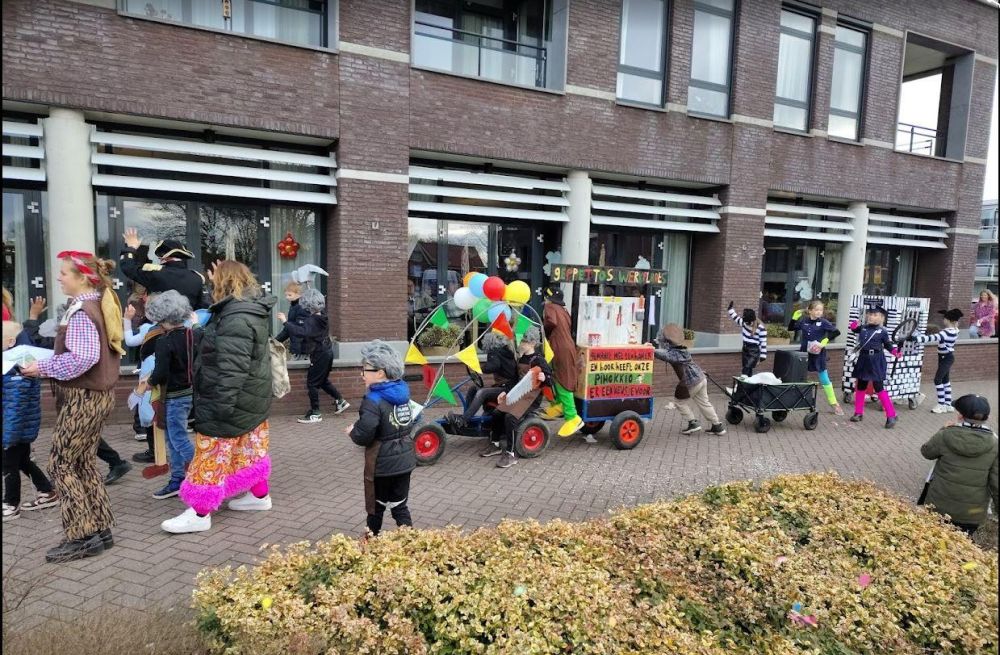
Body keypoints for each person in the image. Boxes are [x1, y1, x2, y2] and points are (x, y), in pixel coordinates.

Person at [20, 250, 124, 563]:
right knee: (83, 462)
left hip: (84, 397)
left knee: (61, 464)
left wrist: (42, 367)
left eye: (64, 273)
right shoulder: (95, 304)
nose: (59, 277)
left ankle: (82, 536)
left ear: (82, 278)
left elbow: (82, 359)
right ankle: (101, 529)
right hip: (95, 396)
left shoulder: (81, 311)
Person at [161, 261, 275, 534]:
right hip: (250, 399)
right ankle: (260, 497)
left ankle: (200, 513)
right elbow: (232, 352)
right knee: (251, 450)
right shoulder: (246, 311)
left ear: (224, 283)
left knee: (210, 456)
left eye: (214, 283)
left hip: (228, 400)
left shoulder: (234, 317)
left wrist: (218, 409)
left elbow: (231, 368)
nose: (211, 287)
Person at [347, 340, 416, 537]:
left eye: (365, 369)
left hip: (382, 463)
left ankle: (369, 545)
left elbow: (364, 434)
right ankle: (413, 544)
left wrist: (353, 430)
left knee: (375, 507)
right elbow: (410, 421)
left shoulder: (373, 399)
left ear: (380, 373)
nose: (362, 374)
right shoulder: (403, 392)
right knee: (400, 506)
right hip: (405, 460)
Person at [2, 321, 58, 522]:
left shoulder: (17, 372)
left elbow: (15, 409)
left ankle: (11, 504)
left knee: (9, 465)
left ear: (9, 342)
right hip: (17, 429)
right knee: (23, 461)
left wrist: (8, 436)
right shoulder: (12, 367)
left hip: (14, 431)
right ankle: (47, 491)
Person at [920, 394, 998, 536]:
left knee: (934, 543)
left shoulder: (945, 435)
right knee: (962, 547)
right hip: (972, 513)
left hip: (939, 506)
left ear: (960, 416)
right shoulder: (995, 443)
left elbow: (926, 452)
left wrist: (942, 430)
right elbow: (996, 482)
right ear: (986, 418)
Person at [144, 291, 195, 499]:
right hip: (188, 392)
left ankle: (207, 472)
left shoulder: (163, 341)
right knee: (173, 438)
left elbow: (161, 371)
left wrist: (150, 382)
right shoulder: (192, 335)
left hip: (172, 395)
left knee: (177, 438)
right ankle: (177, 479)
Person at [276, 288, 349, 424]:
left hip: (319, 354)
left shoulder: (313, 320)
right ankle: (340, 400)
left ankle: (315, 413)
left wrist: (285, 322)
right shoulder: (322, 316)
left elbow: (301, 332)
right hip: (327, 352)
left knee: (312, 383)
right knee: (321, 380)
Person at [492, 328, 553, 468]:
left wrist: (545, 377)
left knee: (510, 418)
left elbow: (550, 379)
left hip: (531, 397)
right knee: (497, 412)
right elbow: (514, 379)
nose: (522, 344)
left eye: (525, 341)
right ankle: (495, 444)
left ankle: (511, 453)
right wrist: (505, 392)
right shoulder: (521, 358)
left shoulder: (539, 359)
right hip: (517, 393)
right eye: (522, 341)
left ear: (532, 343)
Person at [652, 324, 727, 436]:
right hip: (701, 378)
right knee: (704, 403)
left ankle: (693, 423)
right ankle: (717, 426)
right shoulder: (683, 349)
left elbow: (664, 355)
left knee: (679, 402)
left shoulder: (674, 354)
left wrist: (650, 350)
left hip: (692, 381)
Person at [448, 332, 517, 437]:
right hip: (505, 386)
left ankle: (462, 421)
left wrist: (479, 368)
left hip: (507, 388)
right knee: (473, 388)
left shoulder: (494, 352)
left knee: (482, 392)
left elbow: (493, 366)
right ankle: (466, 417)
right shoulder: (505, 353)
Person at [119, 228, 206, 310]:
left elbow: (128, 267)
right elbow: (200, 307)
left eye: (160, 257)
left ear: (165, 257)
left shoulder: (157, 274)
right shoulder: (197, 278)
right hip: (188, 325)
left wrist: (131, 247)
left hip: (160, 324)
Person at [788, 300, 845, 416]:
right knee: (799, 376)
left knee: (824, 379)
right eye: (817, 310)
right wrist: (794, 317)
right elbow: (791, 328)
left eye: (821, 310)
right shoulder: (804, 321)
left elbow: (836, 332)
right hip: (804, 353)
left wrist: (824, 342)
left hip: (818, 354)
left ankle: (834, 404)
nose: (819, 312)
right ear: (810, 311)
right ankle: (793, 402)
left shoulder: (823, 322)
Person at [847, 305, 900, 429]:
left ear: (881, 318)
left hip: (876, 360)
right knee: (861, 386)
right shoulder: (863, 328)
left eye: (875, 315)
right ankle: (858, 413)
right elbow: (855, 329)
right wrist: (853, 325)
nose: (871, 316)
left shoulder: (882, 331)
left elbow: (887, 345)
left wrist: (895, 352)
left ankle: (891, 415)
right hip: (863, 359)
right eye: (870, 314)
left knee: (879, 387)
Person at [542, 286, 584, 437]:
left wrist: (543, 332)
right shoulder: (564, 310)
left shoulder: (550, 307)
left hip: (560, 348)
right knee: (554, 377)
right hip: (565, 347)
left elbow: (551, 322)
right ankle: (558, 405)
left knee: (562, 380)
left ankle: (573, 417)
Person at [910, 309, 962, 414]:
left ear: (948, 320)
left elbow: (931, 338)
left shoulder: (945, 332)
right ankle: (948, 404)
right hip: (947, 357)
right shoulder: (955, 330)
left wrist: (915, 338)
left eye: (944, 318)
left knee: (937, 380)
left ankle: (941, 404)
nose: (943, 320)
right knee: (946, 381)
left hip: (945, 358)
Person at [726, 301, 767, 376]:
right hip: (745, 348)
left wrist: (762, 356)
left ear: (753, 320)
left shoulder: (761, 328)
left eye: (749, 323)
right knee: (748, 369)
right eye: (746, 323)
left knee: (746, 368)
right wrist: (730, 309)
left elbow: (763, 342)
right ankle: (748, 386)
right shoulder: (744, 323)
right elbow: (736, 318)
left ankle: (741, 385)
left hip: (754, 351)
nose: (747, 325)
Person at [274, 281, 308, 359]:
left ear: (298, 294)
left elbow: (299, 330)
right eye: (286, 295)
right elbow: (288, 330)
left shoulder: (302, 307)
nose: (287, 297)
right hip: (297, 347)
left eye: (290, 295)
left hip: (303, 349)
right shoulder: (294, 306)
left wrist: (285, 321)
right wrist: (275, 341)